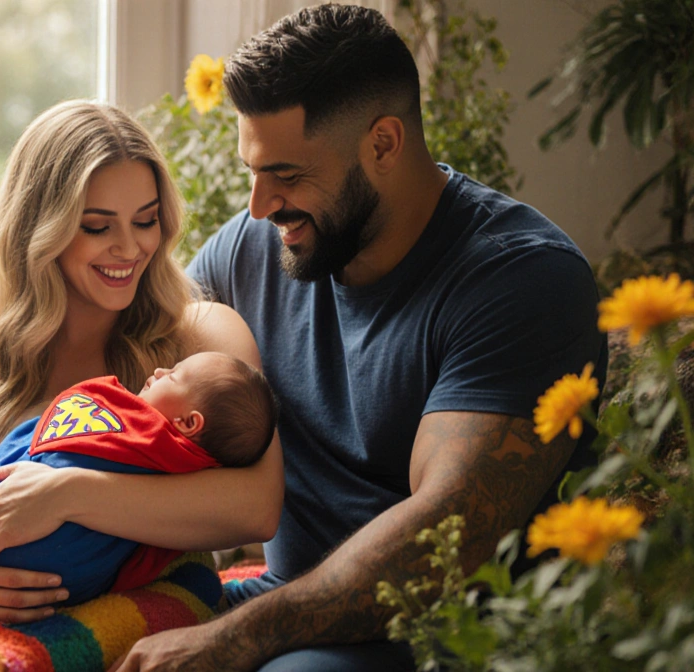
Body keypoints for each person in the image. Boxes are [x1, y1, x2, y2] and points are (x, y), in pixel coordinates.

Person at [108, 6, 608, 671]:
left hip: (444, 633)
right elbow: (127, 376)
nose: (258, 207)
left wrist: (235, 637)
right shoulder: (253, 249)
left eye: (286, 176)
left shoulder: (524, 280)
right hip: (281, 603)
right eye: (252, 173)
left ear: (383, 144)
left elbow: (447, 537)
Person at [0, 100, 284, 624]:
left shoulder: (201, 338)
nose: (130, 248)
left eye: (146, 220)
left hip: (151, 637)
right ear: (39, 229)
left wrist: (68, 492)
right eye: (97, 226)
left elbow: (256, 507)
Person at [0, 351, 278, 606]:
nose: (158, 371)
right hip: (61, 583)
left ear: (188, 424)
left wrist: (66, 490)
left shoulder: (158, 446)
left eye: (173, 376)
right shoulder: (182, 480)